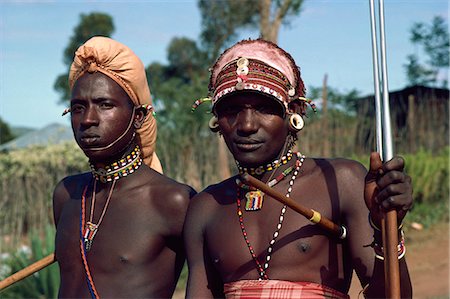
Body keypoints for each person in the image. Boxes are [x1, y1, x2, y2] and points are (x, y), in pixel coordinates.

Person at [184, 39, 413, 298]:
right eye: (231, 110)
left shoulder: (339, 182)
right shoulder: (206, 206)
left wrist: (386, 231)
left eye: (263, 108)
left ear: (292, 114)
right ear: (217, 120)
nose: (246, 125)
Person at [53, 36, 195, 298]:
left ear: (138, 117)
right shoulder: (67, 194)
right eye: (77, 108)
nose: (88, 120)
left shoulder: (173, 201)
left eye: (105, 105)